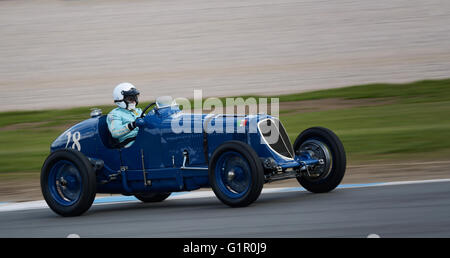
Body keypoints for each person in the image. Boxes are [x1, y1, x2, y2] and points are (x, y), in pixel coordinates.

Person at [107, 82, 145, 148]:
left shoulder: (138, 111)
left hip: (143, 137)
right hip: (130, 144)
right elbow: (115, 132)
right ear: (120, 99)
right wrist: (133, 125)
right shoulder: (114, 114)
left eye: (135, 98)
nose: (134, 101)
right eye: (130, 99)